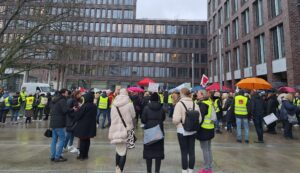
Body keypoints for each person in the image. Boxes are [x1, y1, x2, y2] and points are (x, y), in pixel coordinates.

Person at [173, 88, 201, 173]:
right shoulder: (195, 104)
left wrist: (178, 123)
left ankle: (184, 171)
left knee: (184, 152)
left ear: (182, 94)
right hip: (193, 130)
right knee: (192, 151)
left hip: (182, 130)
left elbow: (175, 120)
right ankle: (191, 170)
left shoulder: (179, 104)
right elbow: (199, 119)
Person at [109, 88, 136, 173]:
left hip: (115, 130)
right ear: (126, 94)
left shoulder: (114, 104)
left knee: (118, 150)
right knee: (123, 151)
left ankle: (117, 168)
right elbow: (134, 115)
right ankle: (120, 170)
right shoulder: (129, 104)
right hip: (126, 130)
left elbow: (111, 117)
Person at [141, 93, 166, 173]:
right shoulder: (161, 108)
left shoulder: (146, 108)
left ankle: (149, 171)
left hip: (149, 131)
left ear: (150, 99)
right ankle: (157, 171)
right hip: (159, 131)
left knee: (149, 153)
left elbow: (143, 120)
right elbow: (163, 118)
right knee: (158, 153)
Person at [50, 89, 76, 162]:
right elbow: (65, 110)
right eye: (67, 93)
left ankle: (53, 155)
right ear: (63, 93)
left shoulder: (54, 99)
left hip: (53, 122)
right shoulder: (62, 100)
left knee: (54, 140)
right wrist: (72, 109)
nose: (68, 94)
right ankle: (57, 157)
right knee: (62, 139)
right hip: (59, 123)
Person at [73, 92, 97, 160]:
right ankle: (86, 155)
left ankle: (81, 156)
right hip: (91, 126)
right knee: (87, 140)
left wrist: (76, 111)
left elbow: (78, 116)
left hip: (83, 126)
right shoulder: (94, 106)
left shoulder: (85, 106)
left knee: (82, 141)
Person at [196, 89, 215, 173]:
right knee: (208, 149)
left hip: (204, 129)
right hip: (210, 128)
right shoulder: (209, 103)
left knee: (205, 150)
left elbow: (200, 119)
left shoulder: (203, 104)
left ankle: (206, 168)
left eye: (198, 94)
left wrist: (196, 128)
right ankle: (209, 166)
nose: (197, 95)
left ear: (202, 95)